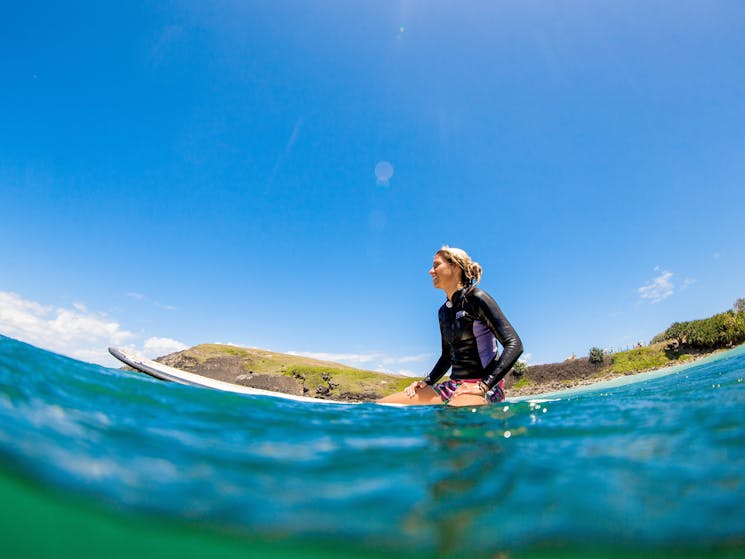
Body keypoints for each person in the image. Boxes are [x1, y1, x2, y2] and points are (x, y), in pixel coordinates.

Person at [378, 246, 523, 407]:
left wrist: (485, 385)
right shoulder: (443, 312)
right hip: (454, 386)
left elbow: (514, 344)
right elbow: (447, 356)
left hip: (483, 386)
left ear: (455, 266)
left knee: (455, 415)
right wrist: (427, 381)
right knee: (382, 405)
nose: (430, 271)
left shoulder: (476, 298)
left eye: (436, 265)